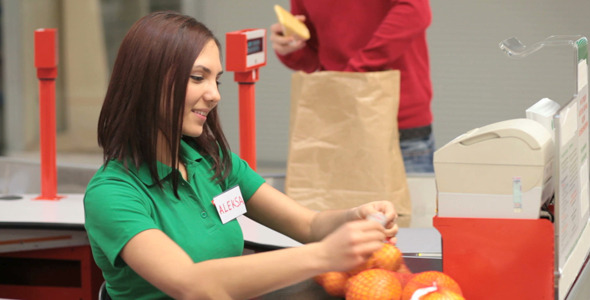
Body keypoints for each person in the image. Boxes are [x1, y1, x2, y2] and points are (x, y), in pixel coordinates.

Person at [84, 11, 399, 300]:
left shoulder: (212, 161)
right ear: (148, 80)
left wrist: (353, 218)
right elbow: (189, 283)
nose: (215, 95)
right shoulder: (112, 194)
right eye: (198, 77)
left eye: (216, 80)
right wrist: (324, 255)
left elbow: (309, 225)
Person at [270, 0, 434, 173]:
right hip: (337, 123)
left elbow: (415, 12)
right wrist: (290, 47)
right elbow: (314, 55)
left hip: (397, 126)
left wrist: (356, 70)